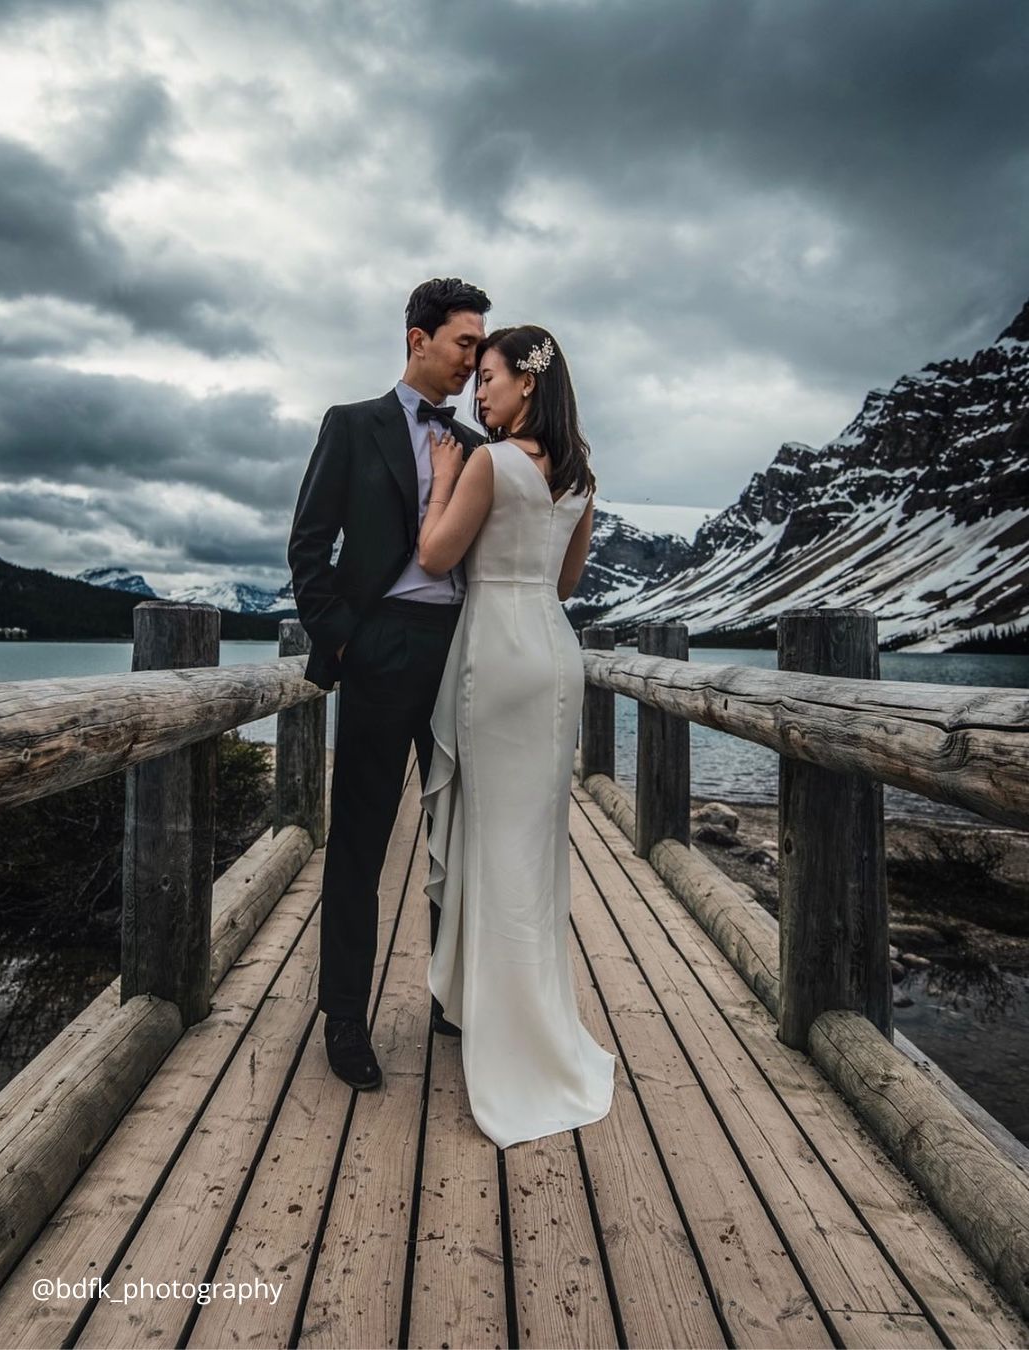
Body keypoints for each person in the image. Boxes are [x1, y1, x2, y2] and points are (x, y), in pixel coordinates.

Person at [287, 277, 491, 1090]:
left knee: (459, 833)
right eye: (464, 344)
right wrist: (348, 643)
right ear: (417, 339)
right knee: (362, 840)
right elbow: (309, 548)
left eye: (481, 347)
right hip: (380, 648)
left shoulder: (478, 446)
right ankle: (344, 1016)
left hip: (461, 650)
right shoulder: (351, 425)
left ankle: (451, 999)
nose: (474, 361)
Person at [417, 325, 617, 1149]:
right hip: (554, 655)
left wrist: (441, 479)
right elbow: (568, 582)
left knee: (495, 845)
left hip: (495, 654)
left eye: (489, 378)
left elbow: (435, 557)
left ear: (526, 385)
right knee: (534, 848)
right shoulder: (580, 478)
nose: (478, 393)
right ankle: (535, 1017)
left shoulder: (490, 464)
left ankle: (507, 1039)